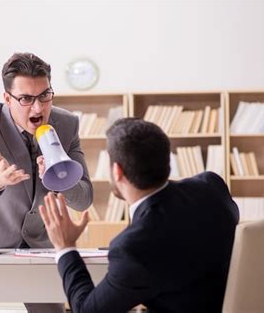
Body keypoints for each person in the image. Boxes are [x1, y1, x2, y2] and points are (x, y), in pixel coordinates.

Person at [39, 118, 240, 313]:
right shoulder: (211, 187)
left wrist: (65, 247)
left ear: (117, 171)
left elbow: (86, 309)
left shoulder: (133, 247)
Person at [0, 52, 93, 313]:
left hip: (37, 244)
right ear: (7, 98)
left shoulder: (67, 124)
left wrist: (61, 179)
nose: (38, 108)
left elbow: (84, 198)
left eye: (45, 95)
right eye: (26, 99)